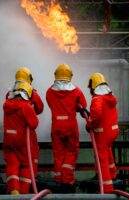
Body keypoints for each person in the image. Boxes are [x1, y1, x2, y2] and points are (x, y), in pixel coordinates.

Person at [46, 63, 87, 191]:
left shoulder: (49, 92)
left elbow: (50, 105)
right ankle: (67, 181)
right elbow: (83, 105)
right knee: (71, 151)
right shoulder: (77, 91)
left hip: (56, 126)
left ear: (56, 76)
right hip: (70, 127)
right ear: (70, 76)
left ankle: (58, 180)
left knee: (58, 153)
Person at [3, 81, 39, 195]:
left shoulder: (6, 104)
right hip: (22, 142)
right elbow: (34, 124)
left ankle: (14, 190)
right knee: (26, 165)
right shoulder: (25, 106)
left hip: (8, 140)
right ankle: (23, 194)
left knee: (12, 164)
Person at [6, 67, 43, 175]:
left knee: (12, 162)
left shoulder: (9, 93)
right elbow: (39, 108)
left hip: (9, 134)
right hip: (25, 133)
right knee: (28, 161)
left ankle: (14, 189)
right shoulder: (31, 92)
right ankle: (27, 188)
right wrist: (30, 111)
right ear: (29, 78)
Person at [86, 72, 119, 193]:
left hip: (102, 133)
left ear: (93, 86)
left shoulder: (97, 99)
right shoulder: (110, 96)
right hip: (112, 131)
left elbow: (97, 116)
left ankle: (107, 188)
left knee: (102, 159)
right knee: (108, 153)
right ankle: (113, 175)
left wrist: (89, 124)